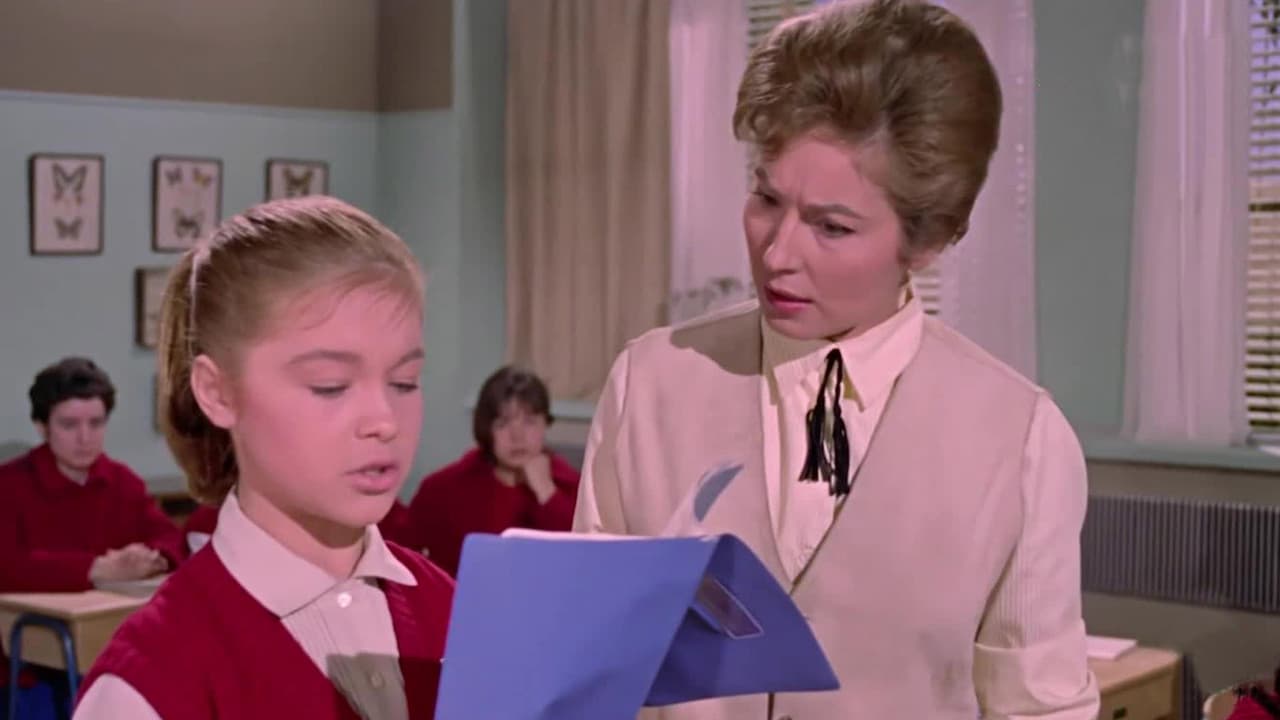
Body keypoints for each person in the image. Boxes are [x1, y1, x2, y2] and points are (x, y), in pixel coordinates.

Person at [573, 1, 1099, 718]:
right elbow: (593, 676)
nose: (778, 253)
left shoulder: (1021, 442)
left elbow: (1039, 709)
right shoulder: (649, 384)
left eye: (832, 226)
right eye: (766, 198)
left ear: (928, 239)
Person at [73, 197, 454, 719]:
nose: (384, 420)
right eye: (330, 385)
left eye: (404, 382)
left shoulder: (450, 611)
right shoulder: (153, 681)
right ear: (217, 392)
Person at [0, 356, 183, 593]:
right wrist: (95, 568)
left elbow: (172, 539)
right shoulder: (9, 484)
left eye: (96, 423)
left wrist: (152, 558)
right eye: (69, 425)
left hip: (110, 611)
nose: (85, 438)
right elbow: (7, 564)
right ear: (42, 427)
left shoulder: (123, 481)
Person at [398, 366, 580, 577]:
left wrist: (547, 494)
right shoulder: (443, 489)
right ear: (486, 430)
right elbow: (403, 557)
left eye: (529, 422)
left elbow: (578, 563)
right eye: (503, 424)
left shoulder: (573, 487)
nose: (517, 436)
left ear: (545, 424)